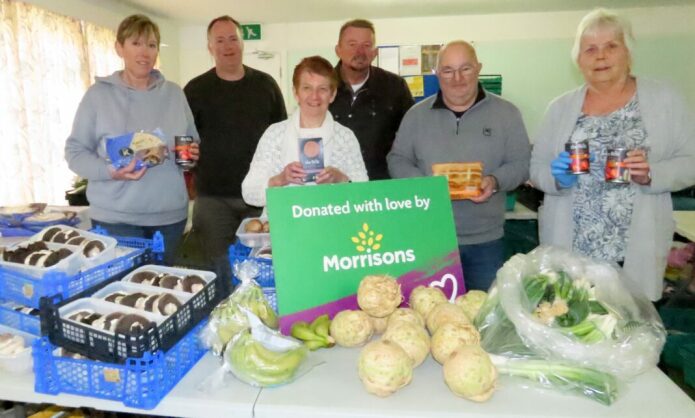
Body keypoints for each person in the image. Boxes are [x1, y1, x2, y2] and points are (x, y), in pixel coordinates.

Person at [530, 8, 695, 301]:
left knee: (633, 329)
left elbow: (690, 161)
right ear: (579, 60)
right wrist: (557, 179)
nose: (600, 56)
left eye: (611, 46)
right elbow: (537, 168)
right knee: (574, 328)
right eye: (590, 49)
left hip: (635, 246)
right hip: (573, 248)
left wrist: (652, 173)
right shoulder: (559, 108)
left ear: (628, 53)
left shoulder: (663, 99)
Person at [387, 40, 531, 291]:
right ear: (436, 74)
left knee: (483, 318)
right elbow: (396, 159)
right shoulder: (415, 115)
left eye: (465, 68)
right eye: (448, 70)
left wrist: (495, 181)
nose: (457, 78)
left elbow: (521, 164)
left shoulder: (507, 114)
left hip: (486, 241)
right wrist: (424, 185)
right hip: (430, 239)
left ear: (478, 68)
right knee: (430, 318)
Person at [65, 14, 198, 265]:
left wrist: (190, 155)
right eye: (136, 43)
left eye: (151, 45)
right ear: (119, 48)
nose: (145, 52)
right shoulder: (98, 96)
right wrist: (110, 171)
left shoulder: (174, 94)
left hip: (169, 218)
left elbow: (190, 144)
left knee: (164, 292)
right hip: (116, 219)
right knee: (123, 297)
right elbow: (75, 151)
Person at [184, 16, 286, 266]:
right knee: (218, 267)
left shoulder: (266, 85)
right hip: (213, 200)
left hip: (260, 198)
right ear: (210, 47)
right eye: (220, 40)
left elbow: (282, 136)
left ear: (242, 44)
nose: (227, 46)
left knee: (263, 265)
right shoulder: (195, 90)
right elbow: (184, 141)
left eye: (233, 39)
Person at [242, 56, 368, 206]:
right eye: (307, 88)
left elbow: (363, 196)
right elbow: (249, 193)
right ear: (296, 93)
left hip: (332, 224)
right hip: (284, 223)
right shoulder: (275, 135)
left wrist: (341, 179)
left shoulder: (345, 137)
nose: (314, 97)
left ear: (332, 94)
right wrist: (280, 179)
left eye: (322, 89)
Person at [330, 19, 414, 180]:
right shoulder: (322, 86)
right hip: (332, 191)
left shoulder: (395, 87)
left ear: (375, 52)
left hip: (382, 190)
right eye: (352, 44)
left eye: (367, 45)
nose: (360, 52)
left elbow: (412, 138)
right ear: (338, 50)